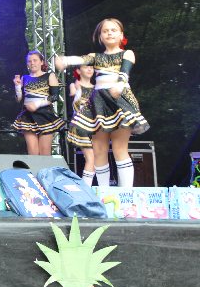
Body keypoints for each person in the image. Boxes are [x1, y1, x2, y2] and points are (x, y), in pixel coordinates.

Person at [55, 18, 149, 187]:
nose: (109, 33)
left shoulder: (127, 53)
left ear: (121, 35)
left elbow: (125, 72)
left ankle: (126, 193)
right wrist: (65, 61)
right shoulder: (95, 57)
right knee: (99, 150)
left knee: (120, 148)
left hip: (120, 101)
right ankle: (104, 193)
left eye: (113, 30)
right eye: (105, 31)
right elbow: (79, 59)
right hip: (98, 103)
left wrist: (120, 84)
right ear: (100, 37)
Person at [11, 50, 64, 156]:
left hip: (45, 115)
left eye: (35, 60)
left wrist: (37, 104)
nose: (32, 63)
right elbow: (19, 99)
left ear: (41, 62)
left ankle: (46, 168)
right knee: (33, 152)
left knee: (45, 152)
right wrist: (17, 87)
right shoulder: (24, 78)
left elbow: (54, 96)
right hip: (28, 117)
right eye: (29, 61)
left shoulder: (49, 76)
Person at [68, 64, 96, 185]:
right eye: (86, 67)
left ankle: (88, 186)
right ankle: (86, 189)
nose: (89, 69)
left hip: (93, 126)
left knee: (95, 159)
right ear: (78, 71)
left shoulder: (96, 88)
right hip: (80, 124)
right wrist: (79, 90)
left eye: (91, 67)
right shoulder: (74, 85)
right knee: (91, 158)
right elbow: (76, 101)